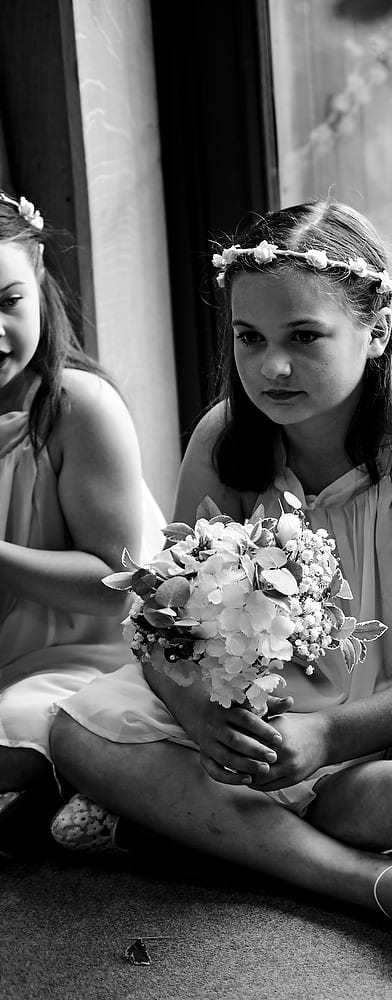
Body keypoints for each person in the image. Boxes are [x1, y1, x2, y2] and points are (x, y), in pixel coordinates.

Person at [48, 200, 392, 943]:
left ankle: (189, 821)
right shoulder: (227, 439)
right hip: (275, 710)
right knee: (75, 733)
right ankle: (365, 882)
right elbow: (165, 624)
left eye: (304, 336)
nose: (272, 366)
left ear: (377, 330)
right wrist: (203, 722)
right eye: (249, 337)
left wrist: (326, 737)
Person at [0, 190, 160, 854]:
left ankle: (104, 785)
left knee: (17, 728)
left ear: (38, 279)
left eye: (7, 301)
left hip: (88, 661)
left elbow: (115, 580)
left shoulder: (75, 409)